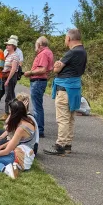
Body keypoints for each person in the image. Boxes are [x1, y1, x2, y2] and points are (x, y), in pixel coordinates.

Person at [44, 28, 87, 156]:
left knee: (62, 118)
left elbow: (56, 69)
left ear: (68, 39)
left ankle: (60, 146)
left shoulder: (71, 53)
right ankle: (67, 144)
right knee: (71, 118)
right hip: (75, 89)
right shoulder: (83, 52)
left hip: (64, 90)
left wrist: (57, 65)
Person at [0, 100, 37, 178]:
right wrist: (0, 147)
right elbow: (14, 140)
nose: (9, 114)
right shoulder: (29, 120)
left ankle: (5, 169)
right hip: (24, 155)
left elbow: (6, 151)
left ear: (14, 114)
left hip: (20, 159)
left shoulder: (21, 129)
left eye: (10, 112)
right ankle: (11, 167)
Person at [23, 36, 54, 138]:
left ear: (39, 45)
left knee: (37, 107)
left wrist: (30, 73)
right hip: (41, 81)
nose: (35, 46)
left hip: (38, 81)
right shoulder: (48, 52)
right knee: (38, 106)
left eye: (36, 44)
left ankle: (38, 130)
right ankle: (38, 129)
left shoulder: (43, 53)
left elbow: (42, 69)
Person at [0, 35, 23, 116]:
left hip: (9, 78)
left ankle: (8, 114)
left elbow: (13, 69)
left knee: (8, 97)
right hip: (3, 77)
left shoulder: (15, 56)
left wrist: (7, 80)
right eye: (7, 45)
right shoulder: (7, 54)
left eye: (8, 45)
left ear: (13, 46)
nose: (6, 46)